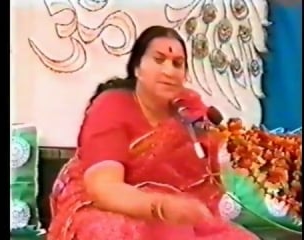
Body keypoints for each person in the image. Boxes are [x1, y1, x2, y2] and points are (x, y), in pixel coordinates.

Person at [47, 25, 259, 240]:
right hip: (107, 208)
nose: (169, 71)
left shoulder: (189, 111)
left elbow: (213, 170)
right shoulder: (111, 106)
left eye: (177, 64)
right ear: (137, 68)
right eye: (159, 60)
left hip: (180, 213)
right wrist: (162, 207)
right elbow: (104, 189)